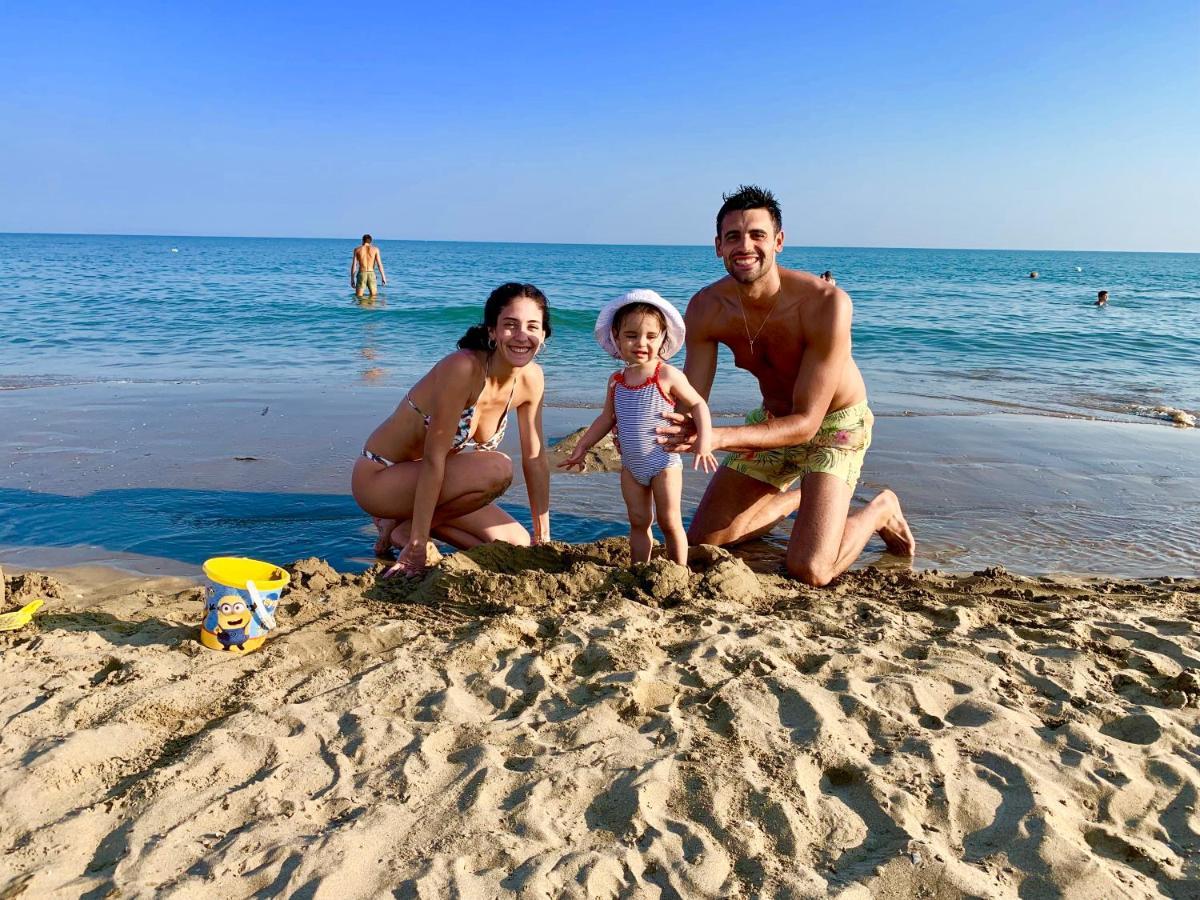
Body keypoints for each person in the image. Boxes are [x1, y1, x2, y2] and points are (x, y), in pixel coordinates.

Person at [658, 185, 915, 586]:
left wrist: (718, 437)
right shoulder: (706, 307)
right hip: (772, 420)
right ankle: (804, 499)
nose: (745, 246)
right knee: (703, 544)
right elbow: (691, 399)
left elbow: (808, 423)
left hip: (834, 426)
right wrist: (650, 425)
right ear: (718, 246)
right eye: (733, 237)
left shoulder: (825, 303)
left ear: (778, 241)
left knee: (811, 570)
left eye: (757, 235)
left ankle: (880, 510)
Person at [352, 282, 551, 576]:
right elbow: (434, 458)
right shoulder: (463, 368)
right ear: (492, 331)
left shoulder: (532, 379)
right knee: (497, 468)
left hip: (430, 485)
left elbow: (535, 459)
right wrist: (419, 544)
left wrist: (543, 537)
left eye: (533, 326)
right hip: (381, 479)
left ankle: (401, 529)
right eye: (510, 325)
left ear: (543, 335)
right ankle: (412, 534)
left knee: (516, 545)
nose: (522, 335)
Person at [559, 290, 717, 565]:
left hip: (664, 463)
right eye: (631, 335)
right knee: (638, 521)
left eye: (651, 336)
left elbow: (698, 404)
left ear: (663, 338)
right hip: (631, 468)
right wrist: (582, 446)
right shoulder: (616, 380)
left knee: (669, 522)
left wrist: (704, 442)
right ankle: (638, 568)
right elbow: (606, 418)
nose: (641, 343)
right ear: (616, 338)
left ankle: (678, 571)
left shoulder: (666, 374)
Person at [351, 234, 387, 300]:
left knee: (359, 297)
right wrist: (383, 277)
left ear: (362, 241)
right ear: (371, 241)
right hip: (371, 273)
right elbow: (379, 264)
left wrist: (352, 279)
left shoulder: (357, 250)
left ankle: (362, 306)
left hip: (362, 273)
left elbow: (354, 265)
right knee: (373, 297)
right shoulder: (375, 249)